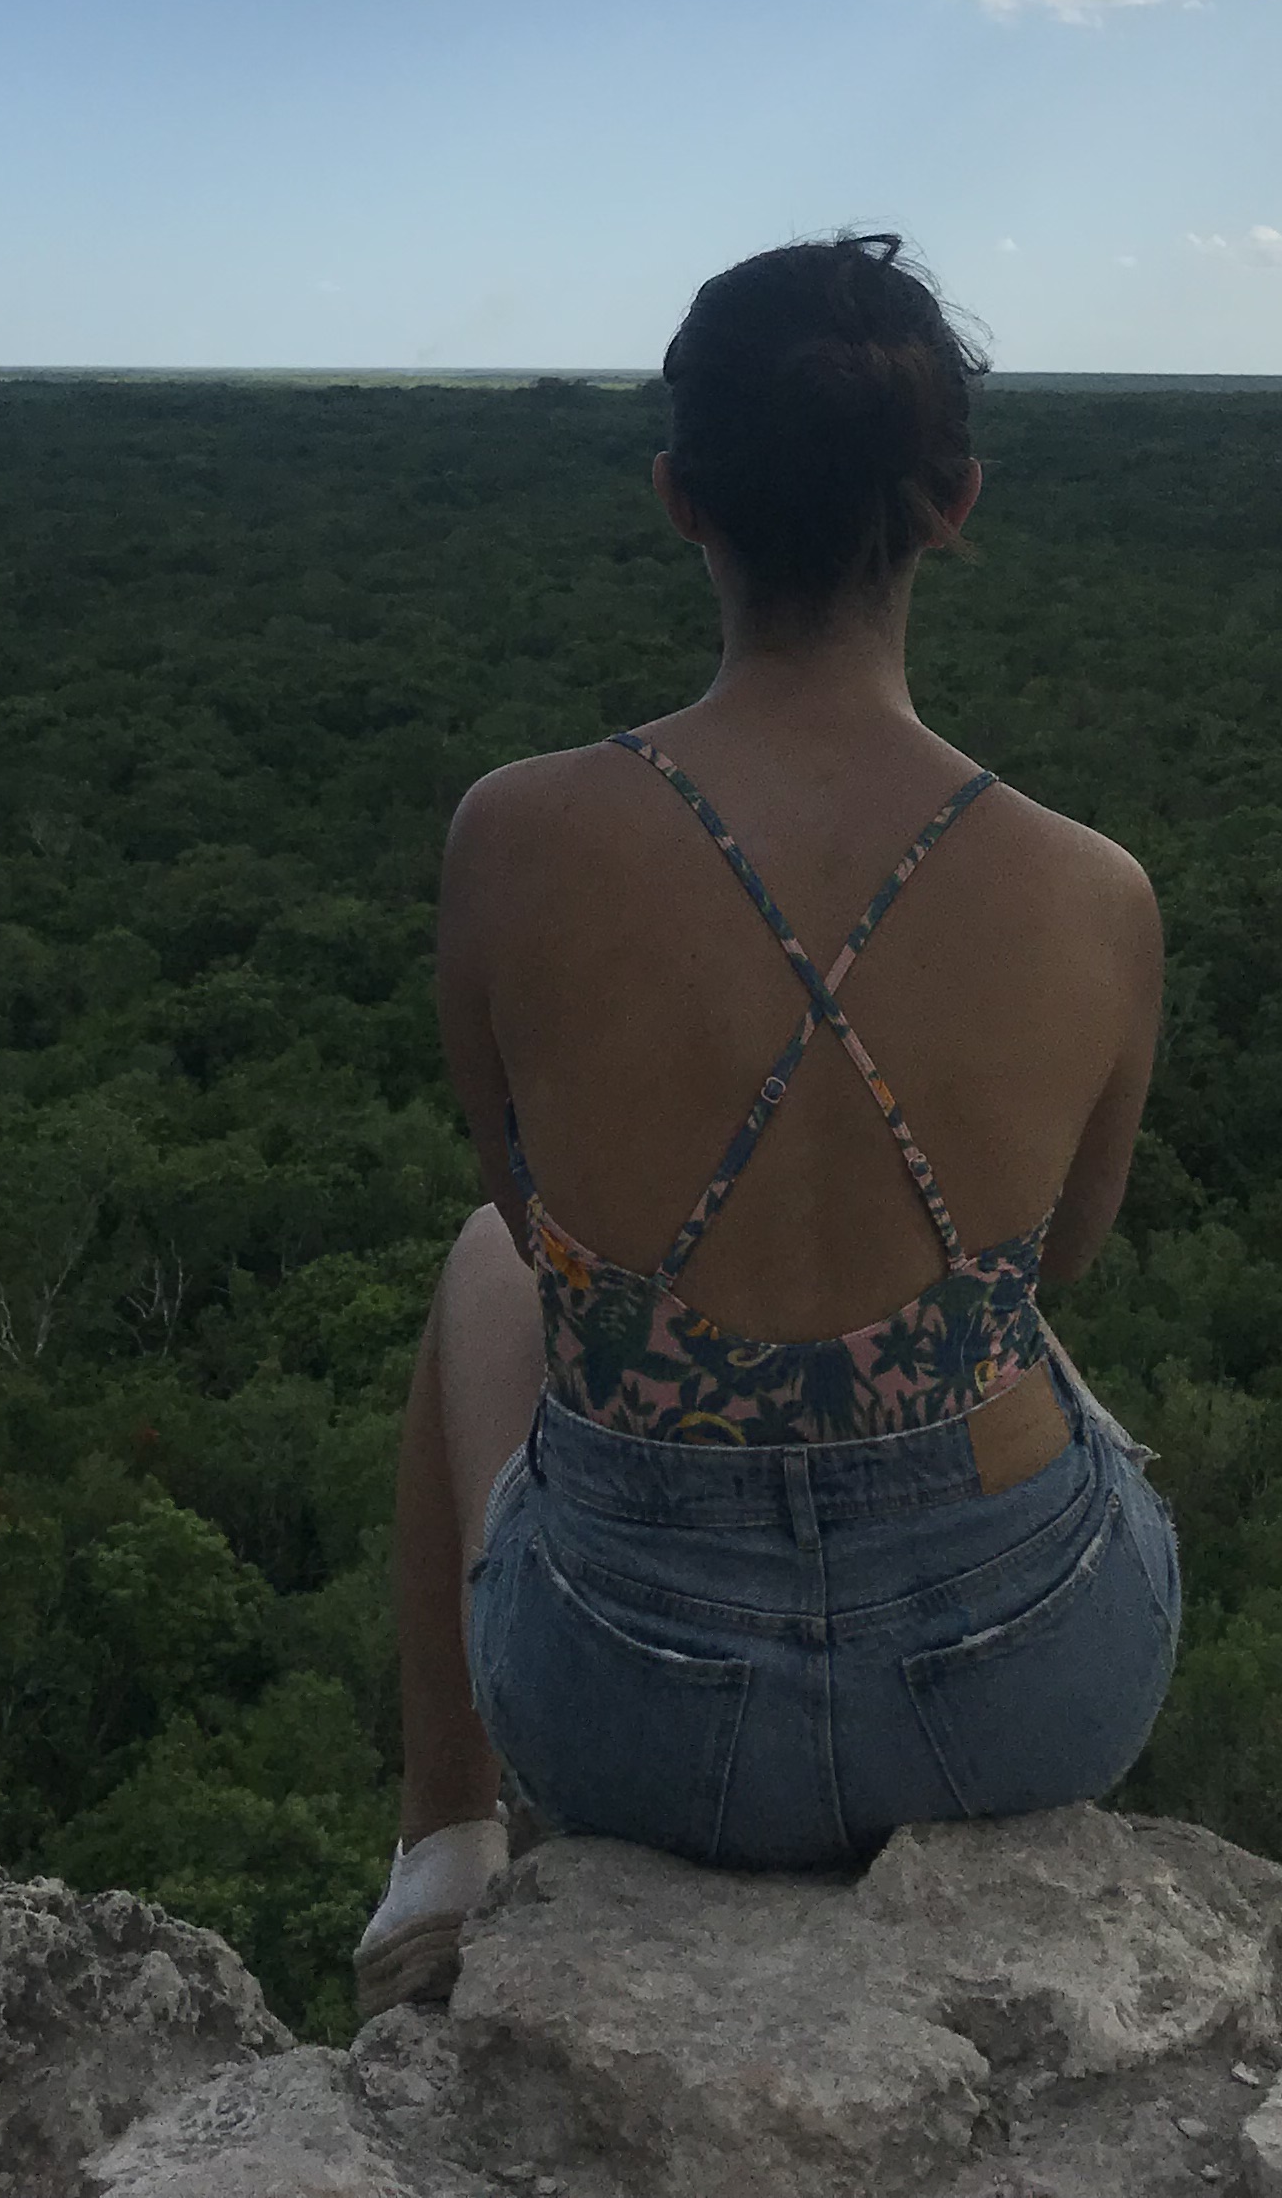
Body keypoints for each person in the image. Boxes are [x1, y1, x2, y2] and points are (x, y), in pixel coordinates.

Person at [355, 232, 1176, 2017]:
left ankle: (445, 1849)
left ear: (680, 500)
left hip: (637, 1713)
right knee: (1000, 1319)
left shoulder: (513, 834)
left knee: (485, 1258)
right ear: (954, 503)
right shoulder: (1098, 894)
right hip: (1022, 1694)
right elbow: (1064, 1265)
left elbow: (530, 1209)